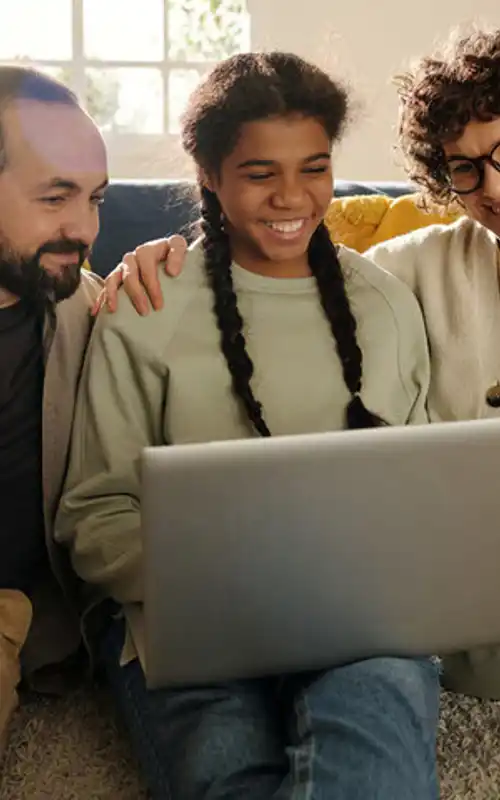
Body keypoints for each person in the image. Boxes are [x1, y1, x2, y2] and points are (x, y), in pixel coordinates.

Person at [56, 52, 439, 800]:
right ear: (209, 175)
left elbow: (421, 495)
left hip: (354, 619)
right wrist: (238, 578)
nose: (292, 196)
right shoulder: (146, 310)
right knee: (223, 772)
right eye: (261, 173)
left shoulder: (388, 306)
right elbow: (94, 518)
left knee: (374, 762)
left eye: (315, 168)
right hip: (183, 624)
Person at [117, 26, 500, 702]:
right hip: (466, 626)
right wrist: (164, 254)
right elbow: (292, 240)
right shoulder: (413, 267)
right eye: (465, 167)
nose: (491, 186)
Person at [0, 64, 182, 753]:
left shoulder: (96, 307)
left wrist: (180, 268)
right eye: (56, 197)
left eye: (97, 199)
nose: (83, 228)